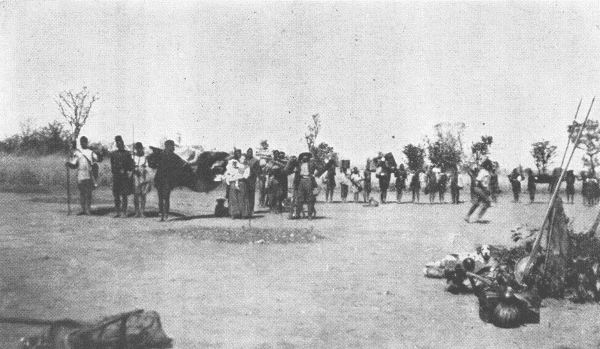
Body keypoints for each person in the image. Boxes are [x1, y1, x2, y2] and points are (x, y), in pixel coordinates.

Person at [154, 139, 187, 222]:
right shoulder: (161, 155)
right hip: (160, 179)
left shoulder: (174, 156)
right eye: (172, 146)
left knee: (166, 197)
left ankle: (165, 215)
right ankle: (161, 214)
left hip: (168, 180)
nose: (173, 148)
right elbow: (153, 164)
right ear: (167, 146)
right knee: (161, 197)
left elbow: (182, 165)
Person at [66, 136, 98, 215]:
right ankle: (83, 209)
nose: (83, 143)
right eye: (82, 142)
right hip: (81, 174)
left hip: (89, 174)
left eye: (85, 142)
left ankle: (88, 209)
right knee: (82, 193)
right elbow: (74, 165)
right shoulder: (77, 153)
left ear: (87, 142)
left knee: (89, 193)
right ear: (80, 143)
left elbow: (96, 161)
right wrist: (68, 164)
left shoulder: (90, 152)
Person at [110, 135, 134, 218]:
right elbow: (112, 166)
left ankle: (124, 212)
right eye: (118, 143)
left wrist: (125, 169)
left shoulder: (127, 154)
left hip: (124, 177)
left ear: (123, 144)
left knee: (124, 195)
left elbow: (131, 166)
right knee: (116, 195)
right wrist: (116, 172)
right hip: (116, 177)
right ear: (116, 144)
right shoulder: (113, 154)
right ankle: (117, 212)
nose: (119, 144)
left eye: (121, 143)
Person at [291, 152, 318, 219]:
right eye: (303, 156)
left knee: (310, 198)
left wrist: (315, 175)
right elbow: (290, 168)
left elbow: (321, 168)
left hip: (309, 180)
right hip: (300, 180)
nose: (305, 157)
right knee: (300, 198)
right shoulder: (299, 164)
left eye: (306, 156)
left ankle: (309, 215)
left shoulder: (312, 163)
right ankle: (298, 214)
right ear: (301, 158)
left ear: (308, 158)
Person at [225, 153, 251, 219]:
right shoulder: (234, 164)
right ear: (239, 159)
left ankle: (243, 214)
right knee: (233, 198)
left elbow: (246, 175)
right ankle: (234, 214)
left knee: (242, 198)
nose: (243, 160)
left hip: (242, 182)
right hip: (233, 182)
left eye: (244, 159)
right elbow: (229, 171)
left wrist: (241, 177)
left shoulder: (246, 166)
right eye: (242, 158)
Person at [132, 142, 151, 217]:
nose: (138, 150)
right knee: (136, 195)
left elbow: (148, 166)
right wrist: (134, 168)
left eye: (140, 148)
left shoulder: (145, 157)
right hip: (136, 176)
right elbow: (131, 166)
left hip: (144, 176)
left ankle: (142, 211)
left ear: (142, 148)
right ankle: (137, 212)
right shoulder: (133, 157)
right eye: (137, 149)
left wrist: (143, 168)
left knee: (143, 194)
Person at [245, 148, 261, 214]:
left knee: (251, 195)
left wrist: (251, 174)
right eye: (248, 152)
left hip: (251, 180)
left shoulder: (255, 161)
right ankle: (245, 209)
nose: (249, 153)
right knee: (244, 195)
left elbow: (257, 171)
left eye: (251, 152)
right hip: (244, 180)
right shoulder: (244, 160)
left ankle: (251, 209)